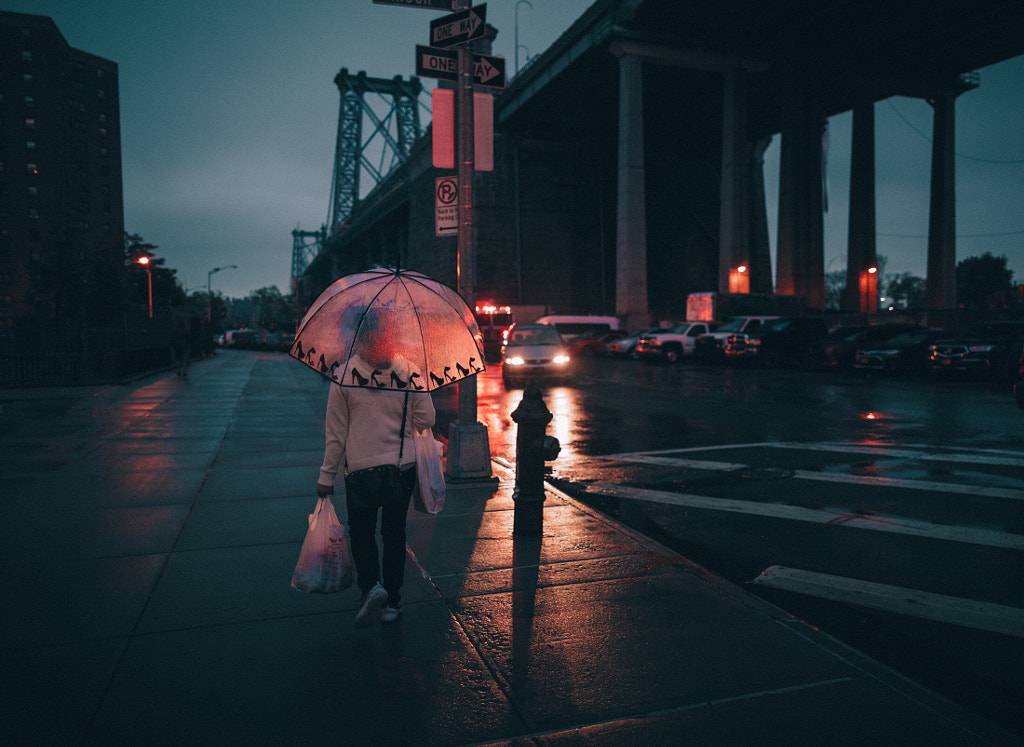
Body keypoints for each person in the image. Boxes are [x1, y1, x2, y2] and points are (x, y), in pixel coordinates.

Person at [316, 382, 435, 627]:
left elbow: (336, 433)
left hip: (360, 469)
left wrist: (326, 476)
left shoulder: (344, 375)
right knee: (394, 532)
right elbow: (427, 419)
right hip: (401, 467)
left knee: (361, 532)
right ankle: (392, 602)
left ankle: (371, 586)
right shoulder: (409, 370)